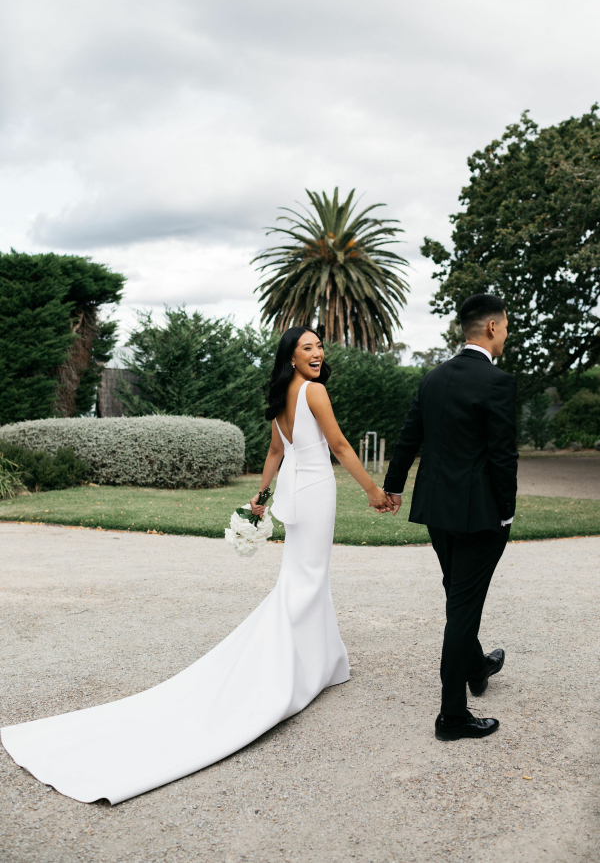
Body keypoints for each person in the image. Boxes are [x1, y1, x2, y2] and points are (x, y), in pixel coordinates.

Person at [1, 326, 391, 804]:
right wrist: (372, 490)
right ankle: (291, 669)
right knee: (308, 579)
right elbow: (341, 446)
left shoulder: (283, 395)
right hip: (315, 491)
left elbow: (274, 451)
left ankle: (325, 660)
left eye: (318, 346)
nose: (317, 353)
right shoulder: (315, 391)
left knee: (303, 577)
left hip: (296, 492)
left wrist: (262, 495)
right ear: (290, 357)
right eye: (306, 347)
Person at [383, 295, 518, 741]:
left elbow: (408, 437)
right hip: (479, 517)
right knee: (463, 608)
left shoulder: (433, 379)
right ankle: (452, 716)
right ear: (493, 328)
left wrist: (395, 486)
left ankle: (477, 667)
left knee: (458, 595)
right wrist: (507, 512)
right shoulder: (497, 381)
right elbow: (502, 457)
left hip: (437, 511)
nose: (506, 334)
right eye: (506, 326)